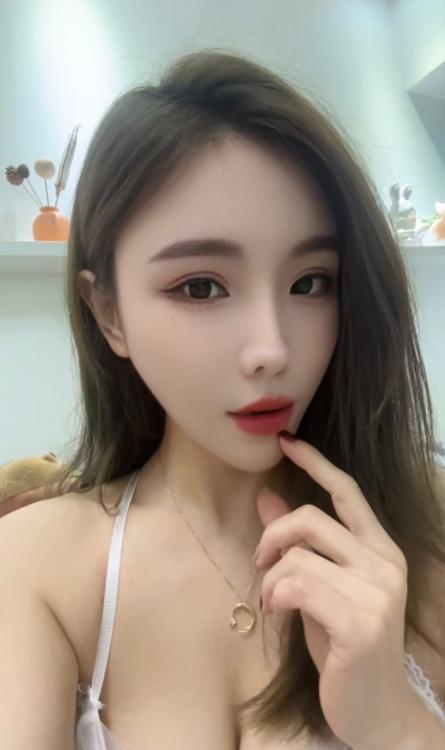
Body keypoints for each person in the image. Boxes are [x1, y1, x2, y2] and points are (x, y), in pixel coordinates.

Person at [1, 48, 445, 750]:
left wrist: (395, 724)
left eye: (309, 282)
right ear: (109, 313)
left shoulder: (428, 526)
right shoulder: (35, 565)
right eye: (201, 287)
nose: (271, 349)